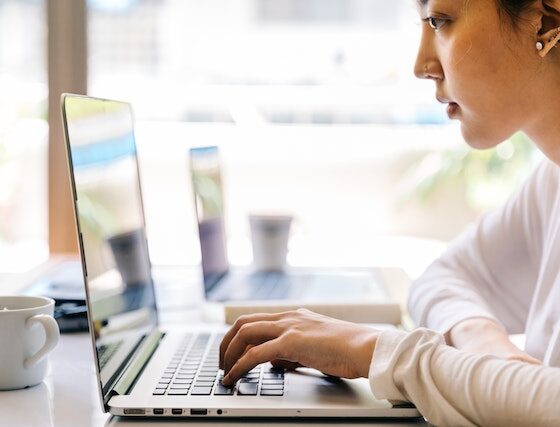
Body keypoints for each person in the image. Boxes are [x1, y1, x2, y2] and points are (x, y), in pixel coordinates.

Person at [219, 0, 560, 425]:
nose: (421, 64)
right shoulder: (552, 180)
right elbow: (442, 278)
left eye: (439, 21)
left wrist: (379, 354)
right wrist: (492, 357)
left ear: (546, 22)